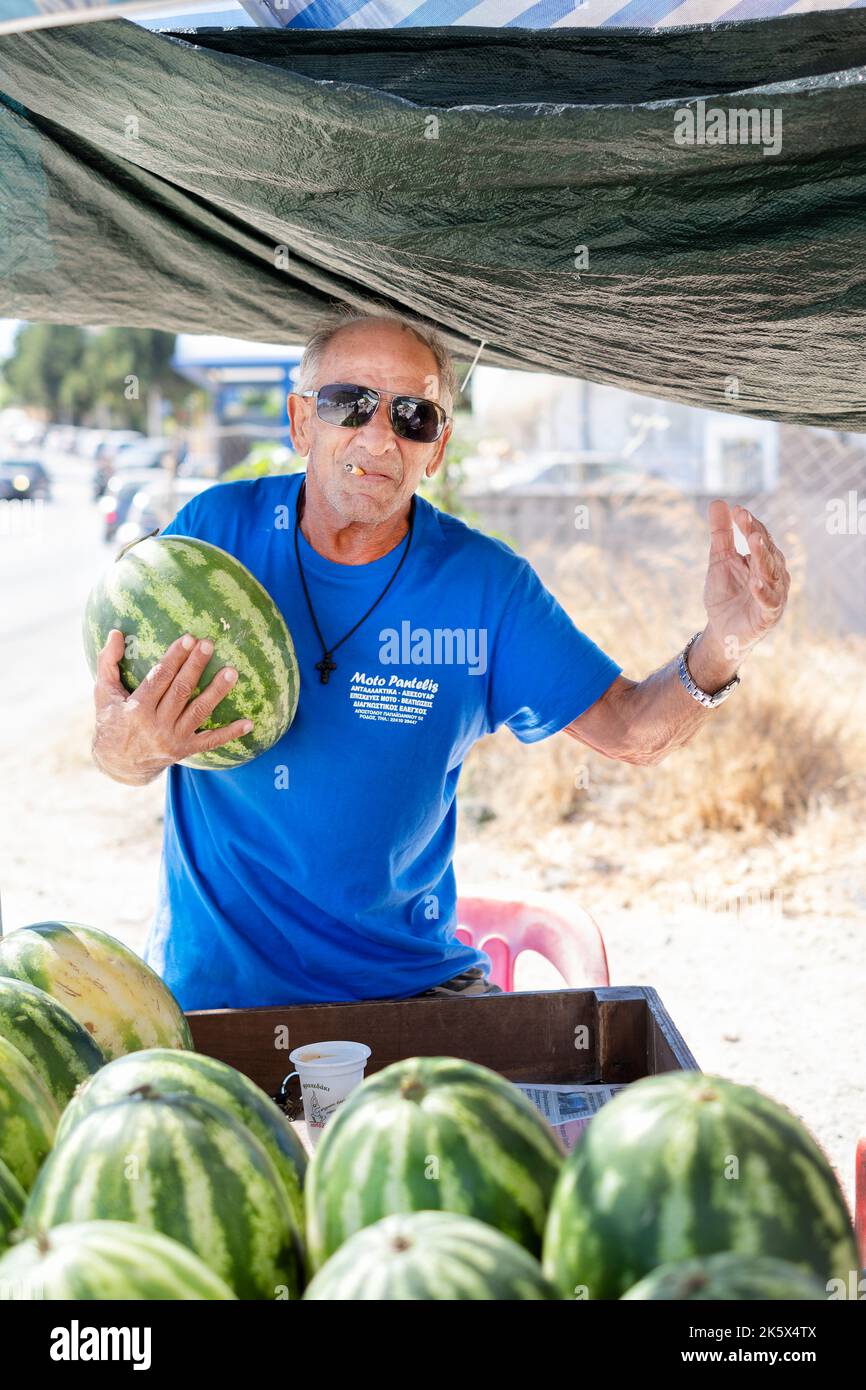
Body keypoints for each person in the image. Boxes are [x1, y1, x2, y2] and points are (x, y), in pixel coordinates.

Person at [90, 311, 790, 1010]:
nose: (378, 436)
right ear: (302, 422)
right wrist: (136, 747)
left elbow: (633, 731)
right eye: (348, 404)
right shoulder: (215, 536)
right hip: (217, 996)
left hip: (409, 992)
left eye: (413, 416)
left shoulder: (484, 587)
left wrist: (726, 641)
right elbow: (119, 752)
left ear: (439, 447)